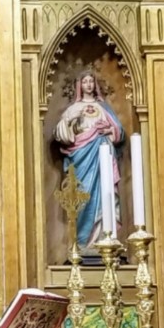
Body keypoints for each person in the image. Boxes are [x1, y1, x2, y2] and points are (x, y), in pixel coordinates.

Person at [53, 69, 125, 249]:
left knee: (103, 195)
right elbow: (60, 134)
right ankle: (83, 243)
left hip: (102, 160)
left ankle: (103, 238)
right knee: (83, 198)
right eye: (85, 82)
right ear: (80, 85)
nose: (88, 85)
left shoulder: (104, 108)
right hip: (81, 159)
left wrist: (108, 131)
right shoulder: (73, 109)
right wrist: (72, 123)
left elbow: (119, 131)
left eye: (91, 82)